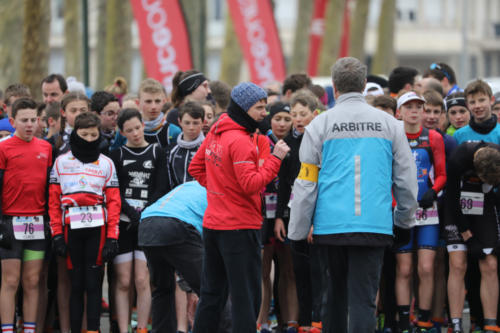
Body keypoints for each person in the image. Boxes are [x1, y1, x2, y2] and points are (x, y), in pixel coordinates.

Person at [287, 57, 418, 333]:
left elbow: (306, 183)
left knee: (332, 298)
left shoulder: (319, 125)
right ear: (363, 84)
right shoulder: (391, 124)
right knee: (363, 300)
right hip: (374, 224)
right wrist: (405, 221)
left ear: (334, 87)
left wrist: (297, 231)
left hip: (331, 226)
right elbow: (406, 181)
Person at [189, 82, 290, 333]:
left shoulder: (216, 132)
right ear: (244, 109)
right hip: (239, 225)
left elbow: (196, 168)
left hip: (214, 225)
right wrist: (276, 159)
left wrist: (221, 189)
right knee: (246, 295)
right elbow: (250, 183)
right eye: (259, 107)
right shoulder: (241, 140)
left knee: (212, 293)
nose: (264, 113)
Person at [49, 112, 120, 333]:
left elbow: (114, 203)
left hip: (97, 230)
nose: (89, 138)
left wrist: (112, 237)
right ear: (75, 134)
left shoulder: (107, 163)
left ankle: (93, 329)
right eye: (84, 134)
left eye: (93, 134)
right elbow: (53, 202)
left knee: (93, 283)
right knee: (76, 284)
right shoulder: (61, 162)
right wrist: (57, 235)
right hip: (71, 228)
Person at [139, 181, 231, 333]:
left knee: (162, 289)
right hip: (176, 225)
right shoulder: (220, 190)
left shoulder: (189, 185)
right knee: (214, 290)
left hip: (148, 225)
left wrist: (191, 289)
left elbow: (183, 255)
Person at [110, 108, 168, 333]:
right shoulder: (117, 155)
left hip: (148, 223)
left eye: (137, 127)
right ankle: (124, 328)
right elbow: (115, 191)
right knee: (124, 280)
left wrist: (144, 214)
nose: (135, 133)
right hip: (125, 223)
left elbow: (161, 187)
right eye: (129, 130)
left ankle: (142, 328)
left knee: (142, 279)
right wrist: (132, 214)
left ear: (143, 125)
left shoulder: (156, 151)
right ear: (122, 132)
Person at [395, 91, 447, 332]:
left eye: (419, 106)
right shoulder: (393, 136)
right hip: (402, 211)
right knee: (404, 269)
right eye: (409, 106)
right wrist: (396, 204)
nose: (414, 110)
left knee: (426, 267)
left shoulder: (434, 137)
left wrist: (433, 191)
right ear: (400, 112)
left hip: (428, 212)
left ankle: (425, 320)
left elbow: (442, 173)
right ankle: (405, 321)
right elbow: (385, 175)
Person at [0, 98, 53, 333]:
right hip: (10, 222)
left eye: (33, 120)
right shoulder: (3, 147)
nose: (29, 125)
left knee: (32, 281)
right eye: (24, 121)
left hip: (37, 223)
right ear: (12, 121)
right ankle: (8, 329)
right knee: (11, 281)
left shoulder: (46, 147)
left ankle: (30, 329)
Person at [275, 91, 322, 333]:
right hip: (293, 212)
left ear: (315, 114)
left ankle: (318, 319)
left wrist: (315, 221)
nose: (298, 119)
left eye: (303, 114)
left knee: (317, 270)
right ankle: (303, 322)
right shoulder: (288, 144)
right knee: (298, 269)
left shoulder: (322, 141)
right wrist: (280, 217)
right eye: (294, 115)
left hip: (317, 214)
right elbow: (283, 183)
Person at [444, 142, 500, 333]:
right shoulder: (459, 158)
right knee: (458, 264)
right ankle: (456, 323)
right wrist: (468, 237)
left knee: (490, 263)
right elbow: (451, 199)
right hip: (457, 203)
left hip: (484, 203)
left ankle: (491, 324)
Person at [257, 101, 294, 333]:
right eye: (277, 118)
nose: (282, 123)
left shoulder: (297, 142)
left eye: (286, 119)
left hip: (288, 213)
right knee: (263, 271)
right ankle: (262, 321)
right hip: (263, 213)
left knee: (288, 270)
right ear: (269, 119)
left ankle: (291, 321)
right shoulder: (262, 141)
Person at [167, 101, 205, 188]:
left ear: (203, 123)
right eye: (187, 123)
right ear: (180, 122)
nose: (191, 128)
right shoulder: (171, 151)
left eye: (195, 123)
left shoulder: (209, 149)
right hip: (177, 198)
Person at [454, 79, 500, 145]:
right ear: (467, 105)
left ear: (492, 100)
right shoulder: (459, 135)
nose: (477, 106)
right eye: (472, 102)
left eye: (482, 100)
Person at [138, 78, 181, 148]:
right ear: (138, 103)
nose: (153, 107)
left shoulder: (174, 132)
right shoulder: (127, 132)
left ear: (164, 102)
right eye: (148, 101)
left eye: (157, 101)